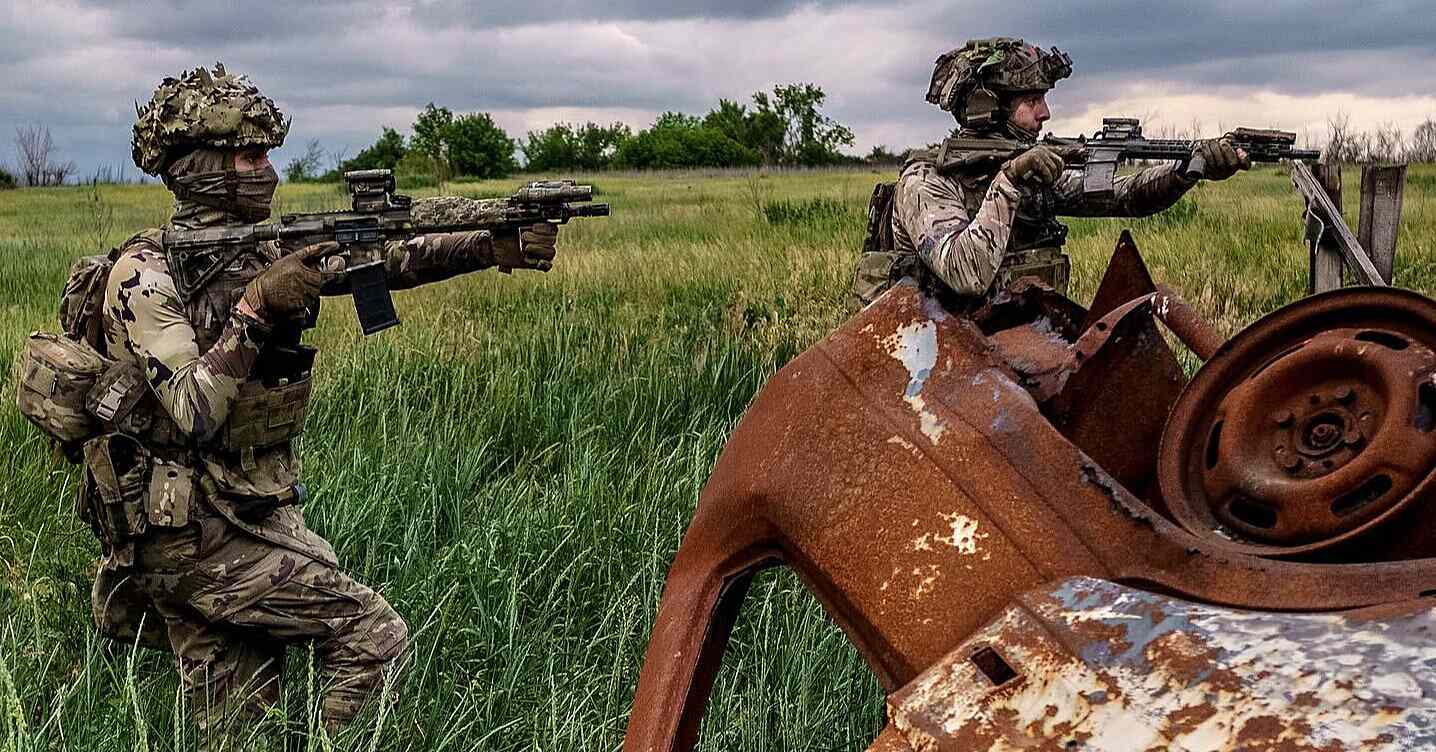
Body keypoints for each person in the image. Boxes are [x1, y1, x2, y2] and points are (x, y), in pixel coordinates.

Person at [86, 63, 559, 739]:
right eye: (250, 156)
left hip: (241, 511)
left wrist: (488, 245)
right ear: (199, 166)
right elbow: (193, 410)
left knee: (239, 729)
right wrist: (256, 311)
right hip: (185, 533)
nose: (268, 171)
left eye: (267, 155)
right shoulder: (144, 274)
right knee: (374, 636)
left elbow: (385, 260)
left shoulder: (258, 248)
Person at [853, 37, 1251, 306]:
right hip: (930, 355)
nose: (1045, 113)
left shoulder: (1030, 170)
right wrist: (1008, 181)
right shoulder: (927, 181)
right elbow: (966, 272)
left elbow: (1125, 197)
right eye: (1032, 100)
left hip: (1008, 336)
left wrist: (1187, 171)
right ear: (988, 109)